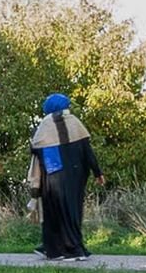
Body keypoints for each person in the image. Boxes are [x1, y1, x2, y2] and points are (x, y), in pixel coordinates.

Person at [27, 93, 104, 260]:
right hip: (76, 176)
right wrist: (98, 172)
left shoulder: (45, 125)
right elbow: (87, 150)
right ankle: (59, 248)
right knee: (73, 211)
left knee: (55, 212)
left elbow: (35, 150)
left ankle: (67, 250)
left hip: (54, 176)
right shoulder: (76, 123)